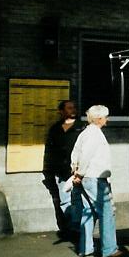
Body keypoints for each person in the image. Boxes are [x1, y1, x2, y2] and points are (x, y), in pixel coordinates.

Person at [70, 105, 119, 257]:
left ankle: (85, 247)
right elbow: (86, 155)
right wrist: (80, 173)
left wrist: (75, 170)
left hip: (86, 177)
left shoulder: (85, 133)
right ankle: (109, 248)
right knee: (107, 212)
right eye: (105, 116)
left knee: (88, 212)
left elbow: (76, 153)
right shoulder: (95, 134)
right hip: (95, 177)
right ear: (99, 119)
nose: (107, 119)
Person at [41, 100, 84, 241]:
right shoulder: (55, 129)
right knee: (65, 202)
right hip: (61, 172)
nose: (73, 110)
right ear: (61, 111)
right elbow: (50, 150)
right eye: (69, 108)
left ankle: (78, 229)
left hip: (78, 172)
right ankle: (71, 228)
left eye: (74, 107)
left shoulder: (82, 127)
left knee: (78, 201)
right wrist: (48, 170)